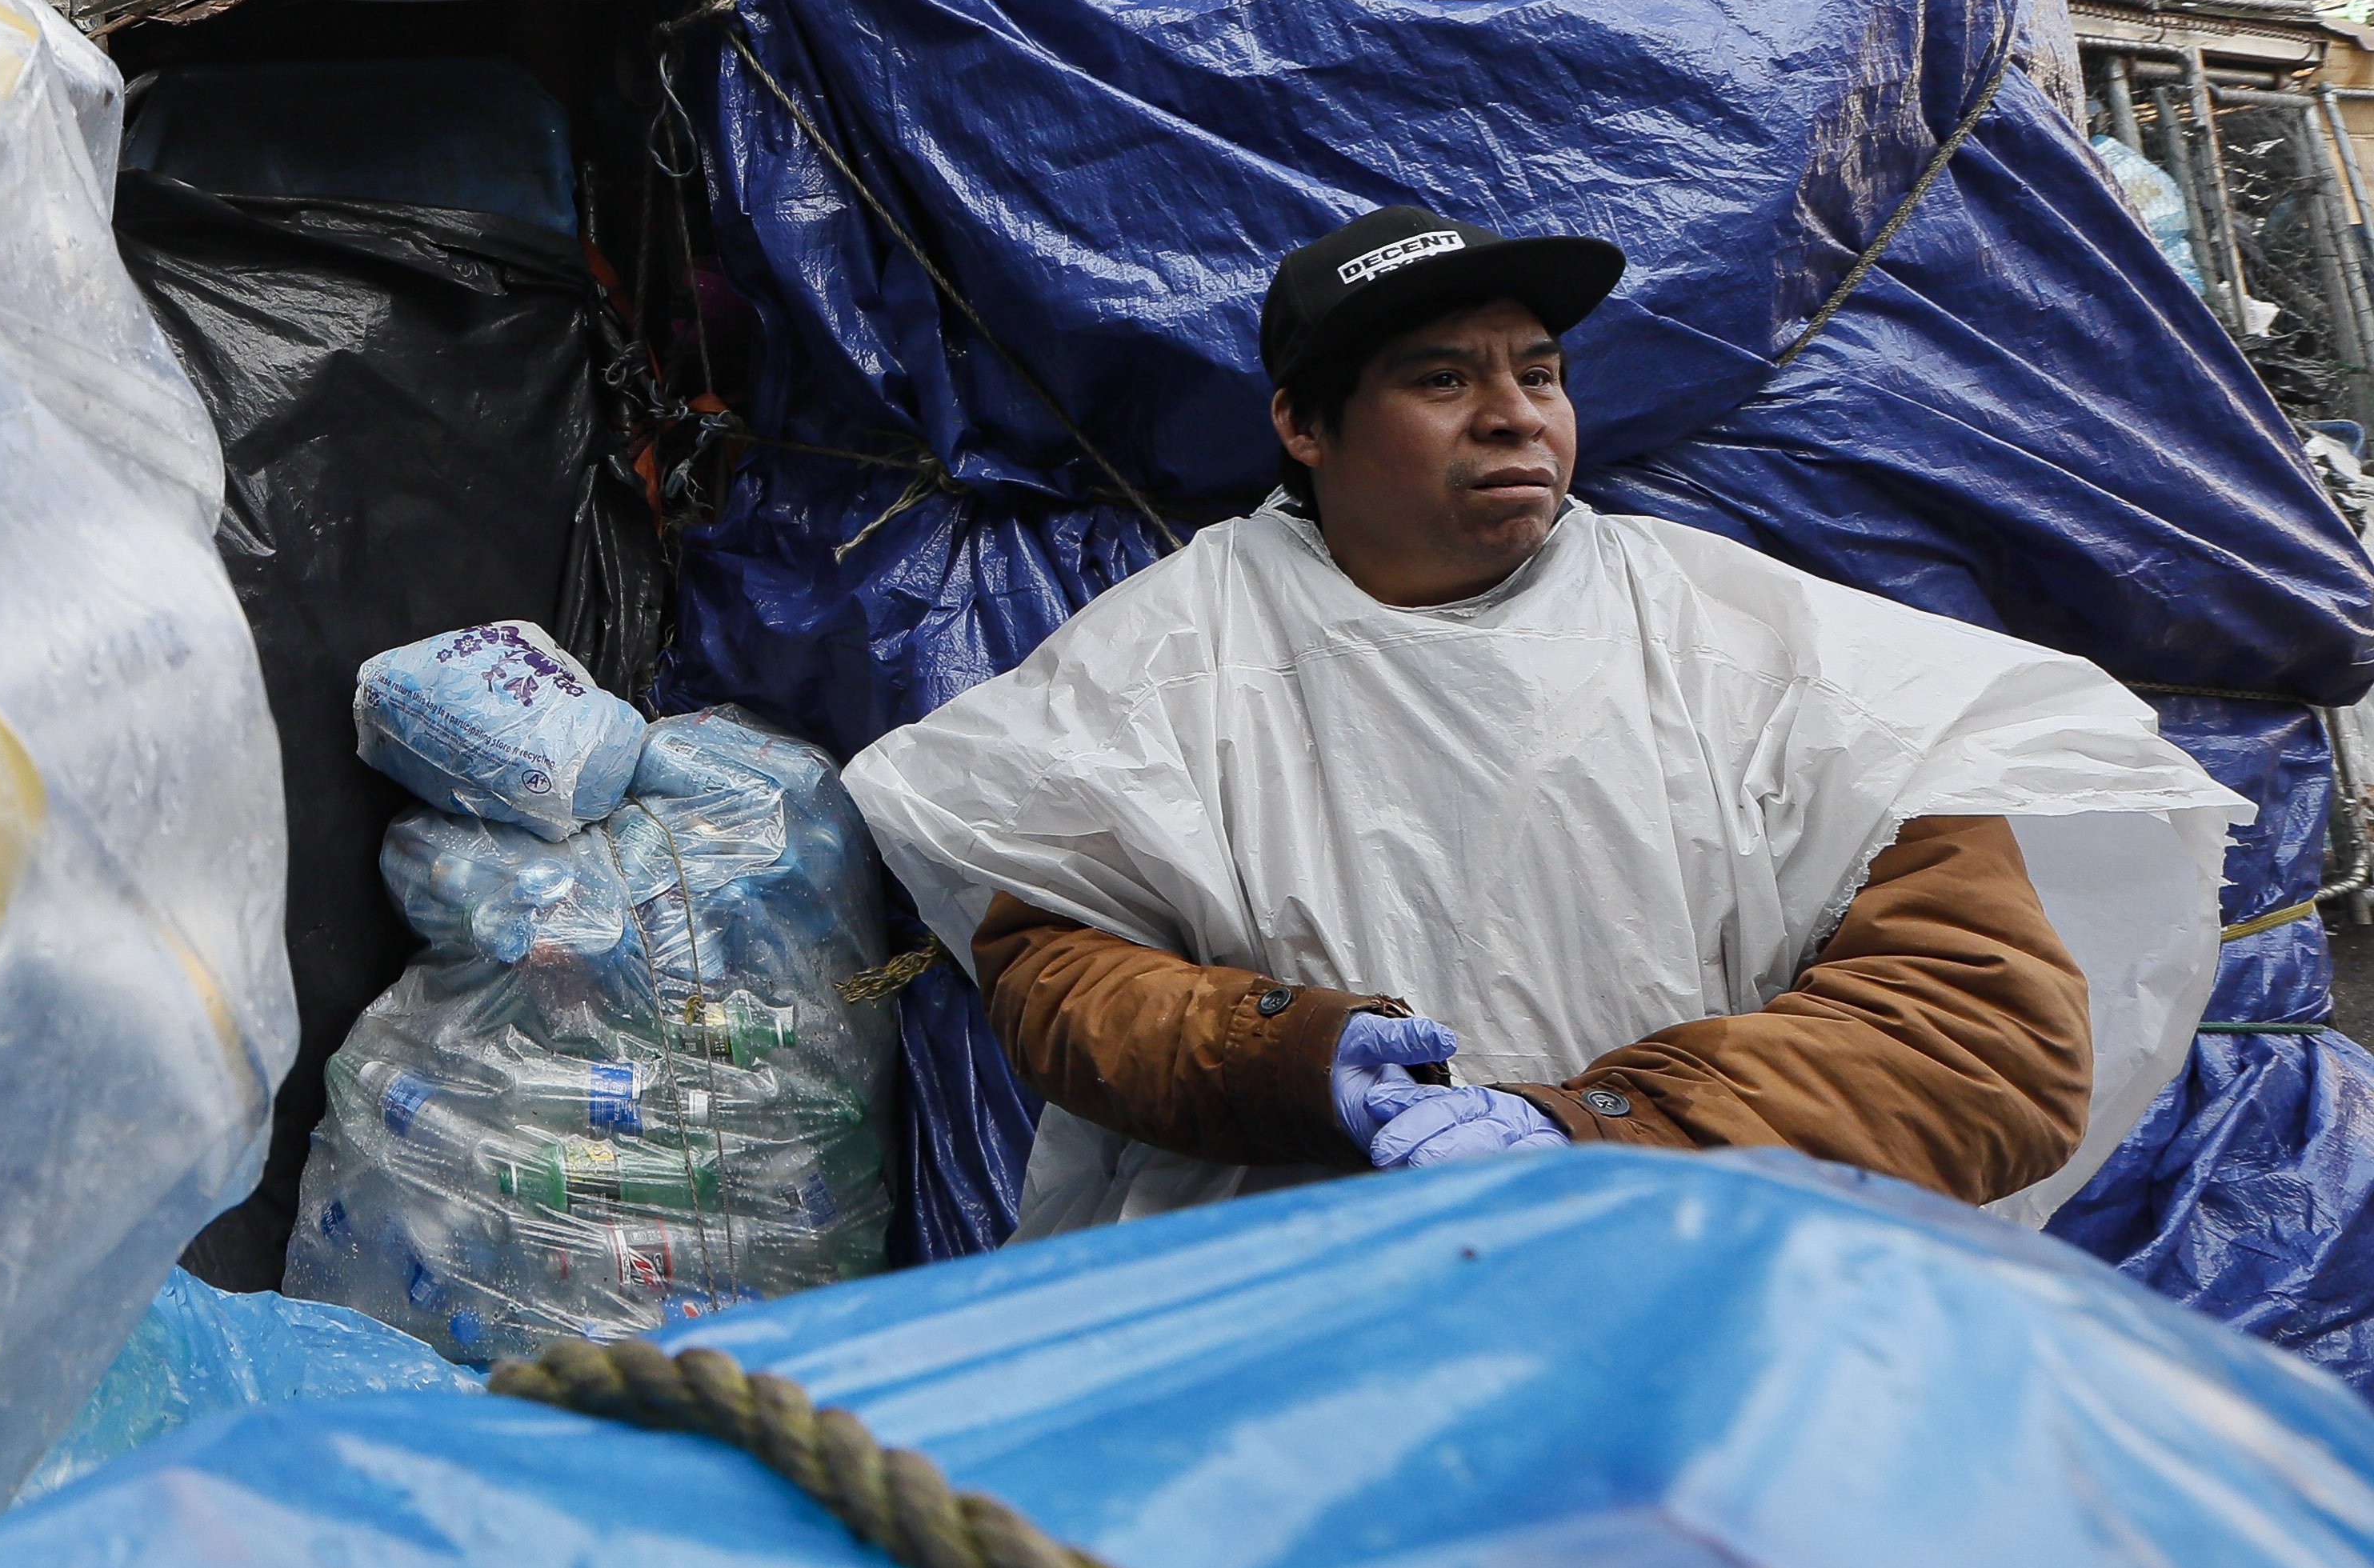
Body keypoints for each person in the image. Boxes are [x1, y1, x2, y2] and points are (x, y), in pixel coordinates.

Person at [844, 202, 2242, 1234]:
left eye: (1542, 373)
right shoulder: (1160, 667)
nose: (1515, 417)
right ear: (1303, 427)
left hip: (1706, 1321)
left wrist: (1588, 1133)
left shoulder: (1773, 659)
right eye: (1443, 379)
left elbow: (1980, 1039)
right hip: (1292, 1319)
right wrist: (1283, 1053)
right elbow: (1054, 971)